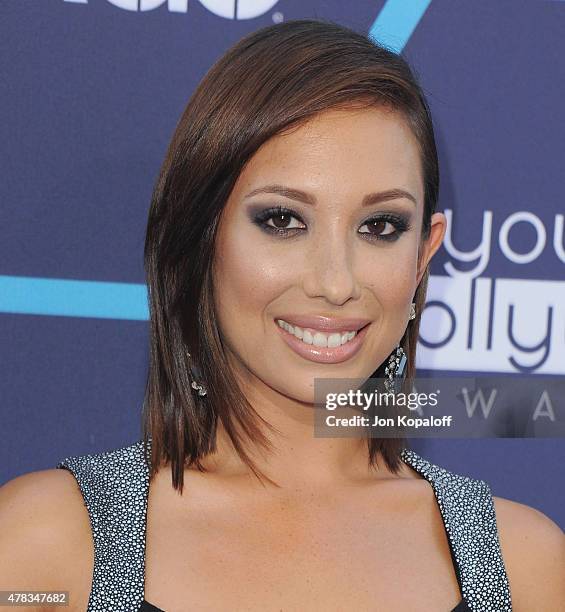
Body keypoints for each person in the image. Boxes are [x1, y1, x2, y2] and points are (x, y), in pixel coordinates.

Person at [1, 18, 563, 612]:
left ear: (425, 253)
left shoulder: (522, 569)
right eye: (282, 221)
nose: (335, 282)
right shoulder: (48, 551)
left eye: (380, 227)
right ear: (200, 236)